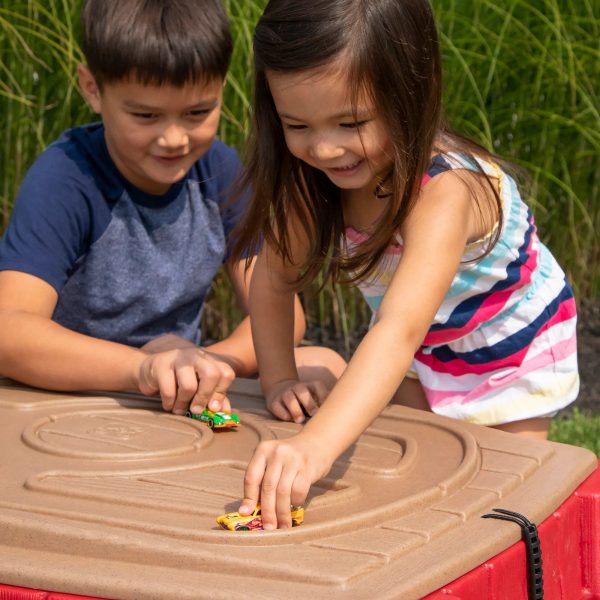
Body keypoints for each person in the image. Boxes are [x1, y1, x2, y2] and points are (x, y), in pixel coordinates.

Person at [232, 0, 580, 529]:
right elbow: (273, 278)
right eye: (296, 125)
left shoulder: (447, 191)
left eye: (350, 123)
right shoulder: (313, 182)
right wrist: (278, 379)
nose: (325, 149)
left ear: (410, 94)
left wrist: (314, 445)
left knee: (502, 501)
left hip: (509, 350)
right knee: (417, 479)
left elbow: (397, 328)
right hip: (424, 346)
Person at [0, 0, 346, 417]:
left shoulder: (219, 171)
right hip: (83, 390)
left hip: (180, 382)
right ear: (93, 89)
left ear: (219, 89)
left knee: (325, 362)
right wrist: (144, 368)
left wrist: (203, 367)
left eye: (197, 112)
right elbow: (10, 332)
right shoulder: (67, 178)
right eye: (145, 115)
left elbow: (285, 316)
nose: (174, 139)